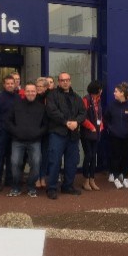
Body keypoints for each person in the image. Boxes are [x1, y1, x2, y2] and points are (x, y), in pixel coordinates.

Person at [45, 72, 86, 200]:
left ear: (70, 81)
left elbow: (83, 112)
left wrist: (77, 121)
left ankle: (67, 186)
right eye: (62, 80)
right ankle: (51, 188)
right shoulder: (52, 95)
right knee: (55, 161)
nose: (65, 82)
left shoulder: (76, 97)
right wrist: (66, 122)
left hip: (73, 135)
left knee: (72, 162)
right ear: (58, 82)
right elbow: (52, 111)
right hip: (57, 133)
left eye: (67, 80)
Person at [5, 81, 47, 198]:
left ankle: (31, 187)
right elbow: (8, 121)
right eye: (28, 91)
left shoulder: (41, 107)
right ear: (24, 92)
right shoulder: (16, 105)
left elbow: (46, 125)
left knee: (36, 163)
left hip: (35, 141)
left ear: (36, 92)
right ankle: (16, 187)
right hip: (18, 141)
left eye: (33, 91)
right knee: (15, 163)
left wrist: (37, 133)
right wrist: (16, 131)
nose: (30, 93)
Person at [0, 74, 18, 192]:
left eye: (12, 83)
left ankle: (9, 180)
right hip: (2, 133)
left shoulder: (18, 98)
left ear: (15, 84)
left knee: (11, 158)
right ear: (4, 85)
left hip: (14, 133)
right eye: (8, 83)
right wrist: (0, 128)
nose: (10, 85)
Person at [104, 82, 128, 189]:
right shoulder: (112, 105)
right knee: (115, 157)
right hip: (114, 136)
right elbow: (106, 118)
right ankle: (116, 178)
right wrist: (111, 128)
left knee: (125, 157)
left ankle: (125, 178)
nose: (114, 93)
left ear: (122, 93)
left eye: (116, 91)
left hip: (127, 136)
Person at [80, 81, 104, 191]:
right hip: (87, 133)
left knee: (94, 156)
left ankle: (92, 179)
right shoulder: (86, 99)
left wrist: (101, 126)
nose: (101, 91)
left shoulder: (98, 101)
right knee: (88, 155)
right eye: (100, 89)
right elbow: (82, 117)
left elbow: (100, 116)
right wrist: (91, 127)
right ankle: (85, 180)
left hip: (96, 133)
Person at [35, 77, 50, 189]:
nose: (39, 88)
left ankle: (43, 177)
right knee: (36, 156)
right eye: (37, 86)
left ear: (46, 87)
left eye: (41, 86)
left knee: (44, 156)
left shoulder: (49, 98)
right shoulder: (33, 98)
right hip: (35, 131)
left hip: (47, 131)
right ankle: (36, 178)